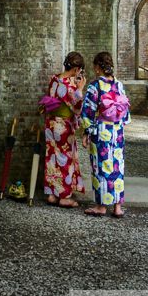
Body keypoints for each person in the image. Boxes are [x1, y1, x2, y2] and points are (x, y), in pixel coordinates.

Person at [81, 51, 130, 218]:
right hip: (117, 131)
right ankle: (117, 207)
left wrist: (86, 131)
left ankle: (101, 206)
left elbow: (88, 111)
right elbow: (125, 113)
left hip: (101, 131)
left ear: (97, 68)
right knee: (117, 167)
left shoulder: (95, 86)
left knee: (101, 167)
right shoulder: (119, 85)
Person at [42, 52, 87, 208]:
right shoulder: (70, 85)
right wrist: (80, 88)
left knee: (52, 158)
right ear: (76, 69)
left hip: (50, 124)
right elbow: (77, 107)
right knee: (65, 159)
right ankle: (64, 196)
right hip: (63, 126)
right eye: (79, 70)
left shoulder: (54, 79)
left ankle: (52, 194)